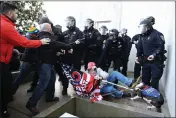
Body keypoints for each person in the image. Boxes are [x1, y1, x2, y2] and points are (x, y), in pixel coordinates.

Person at [0, 3, 50, 117]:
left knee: (10, 83)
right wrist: (40, 42)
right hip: (2, 62)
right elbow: (22, 42)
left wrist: (12, 50)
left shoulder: (4, 24)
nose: (17, 15)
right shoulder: (5, 25)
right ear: (10, 13)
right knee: (5, 86)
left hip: (5, 60)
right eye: (16, 13)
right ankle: (3, 109)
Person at [26, 23, 72, 115]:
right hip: (44, 64)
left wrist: (59, 51)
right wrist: (67, 46)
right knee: (43, 83)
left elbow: (50, 48)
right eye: (50, 28)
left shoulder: (44, 36)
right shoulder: (44, 36)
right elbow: (53, 44)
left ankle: (49, 97)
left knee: (52, 79)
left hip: (48, 63)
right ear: (48, 28)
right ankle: (31, 104)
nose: (52, 29)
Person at [136, 18, 166, 90]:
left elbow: (160, 47)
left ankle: (155, 97)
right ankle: (146, 93)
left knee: (154, 80)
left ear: (148, 27)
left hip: (156, 61)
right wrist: (138, 56)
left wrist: (154, 54)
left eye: (143, 27)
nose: (142, 29)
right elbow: (140, 48)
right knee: (145, 79)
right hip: (146, 61)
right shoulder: (142, 36)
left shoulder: (157, 34)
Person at [59, 16, 85, 95]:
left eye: (68, 21)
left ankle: (77, 88)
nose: (67, 22)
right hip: (66, 57)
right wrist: (63, 49)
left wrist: (74, 47)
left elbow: (82, 43)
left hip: (76, 57)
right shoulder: (64, 33)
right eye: (66, 21)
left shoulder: (79, 32)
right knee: (65, 73)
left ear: (73, 22)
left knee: (76, 73)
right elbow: (59, 43)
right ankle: (65, 88)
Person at [12, 26, 40, 94]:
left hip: (31, 62)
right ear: (32, 34)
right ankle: (10, 93)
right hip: (29, 62)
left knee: (21, 78)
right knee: (20, 78)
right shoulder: (32, 41)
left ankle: (33, 87)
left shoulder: (29, 39)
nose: (37, 35)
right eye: (36, 34)